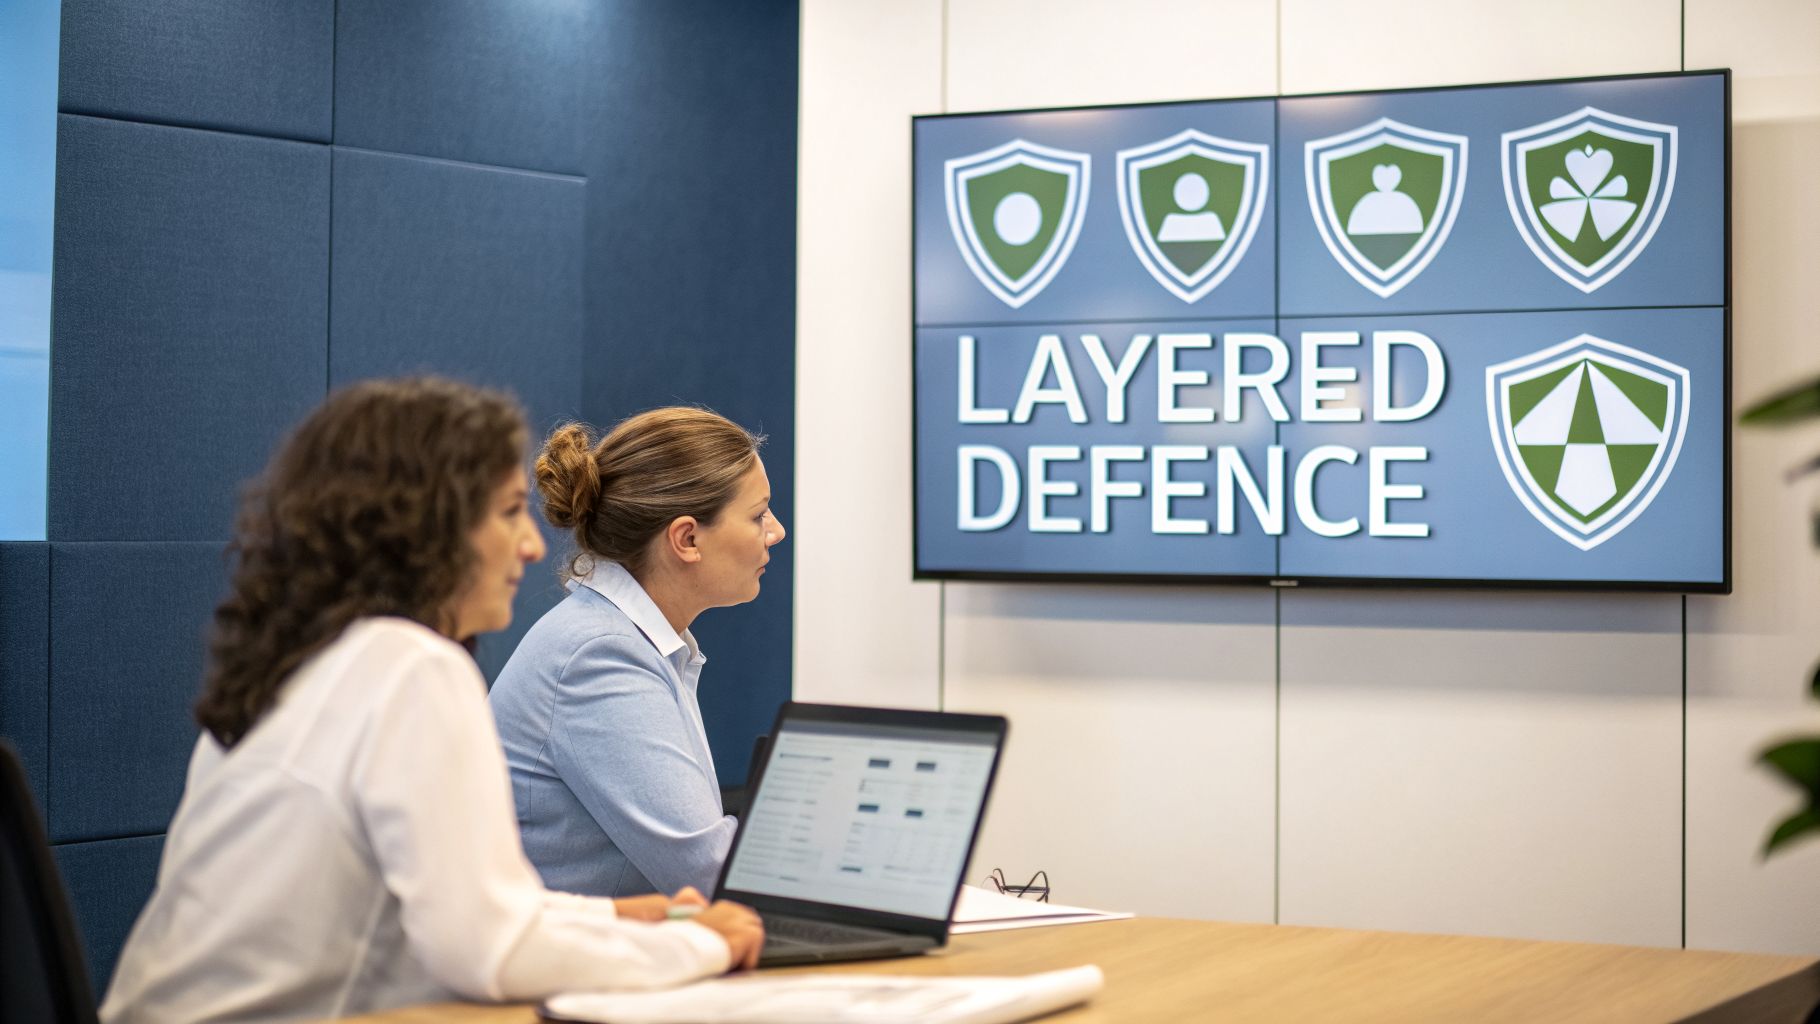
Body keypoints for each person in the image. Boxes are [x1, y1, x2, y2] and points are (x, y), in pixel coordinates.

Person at [101, 379, 763, 1024]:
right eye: (507, 513)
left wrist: (613, 916)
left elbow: (459, 907)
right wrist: (704, 943)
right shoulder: (412, 669)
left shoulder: (300, 662)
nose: (533, 546)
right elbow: (490, 952)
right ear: (421, 530)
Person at [489, 407, 786, 899]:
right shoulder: (599, 655)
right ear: (687, 538)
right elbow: (708, 872)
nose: (775, 532)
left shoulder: (626, 638)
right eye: (758, 515)